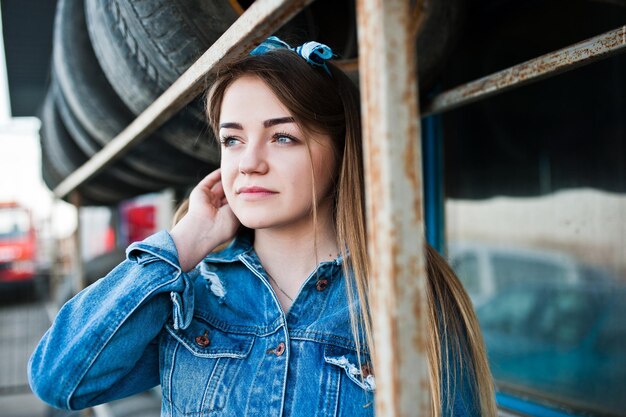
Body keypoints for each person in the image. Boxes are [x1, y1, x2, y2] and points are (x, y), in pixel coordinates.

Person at [29, 37, 497, 417]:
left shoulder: (409, 297)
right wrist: (184, 243)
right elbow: (59, 379)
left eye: (282, 137)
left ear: (341, 153)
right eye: (233, 139)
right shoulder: (189, 294)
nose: (249, 163)